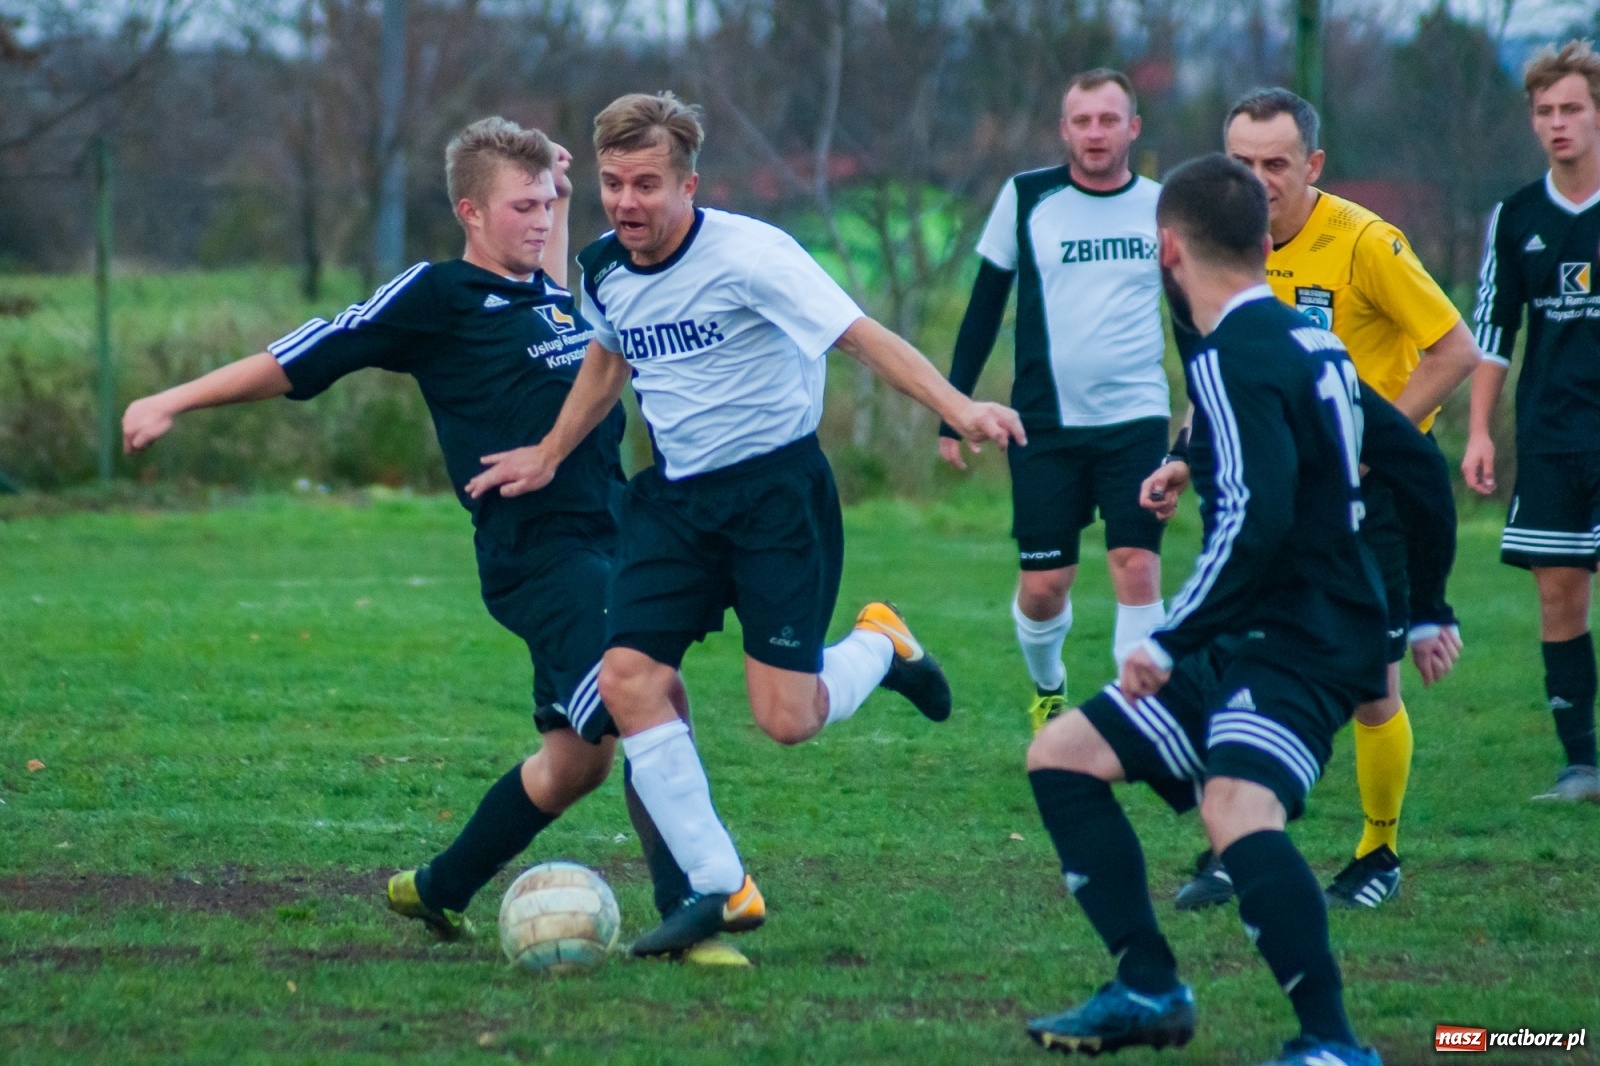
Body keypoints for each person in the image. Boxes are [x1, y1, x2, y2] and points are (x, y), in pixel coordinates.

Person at [120, 117, 752, 965]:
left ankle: (441, 886)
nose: (538, 219)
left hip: (619, 535)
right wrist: (173, 401)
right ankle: (691, 915)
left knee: (575, 766)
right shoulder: (437, 297)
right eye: (520, 206)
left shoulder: (553, 295)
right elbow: (309, 352)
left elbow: (557, 272)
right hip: (542, 555)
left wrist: (556, 190)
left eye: (546, 205)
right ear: (470, 212)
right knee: (652, 694)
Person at [467, 91, 1026, 957]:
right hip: (675, 506)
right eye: (613, 183)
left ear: (691, 184)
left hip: (776, 501)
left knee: (786, 718)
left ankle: (881, 644)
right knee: (628, 678)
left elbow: (862, 337)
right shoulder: (605, 265)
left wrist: (958, 406)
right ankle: (719, 888)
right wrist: (548, 450)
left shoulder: (755, 257)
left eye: (646, 184)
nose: (625, 202)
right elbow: (608, 360)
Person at [1023, 154, 1459, 1066]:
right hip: (1269, 628)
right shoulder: (1313, 343)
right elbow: (1417, 467)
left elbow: (1254, 526)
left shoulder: (1227, 356)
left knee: (1236, 807)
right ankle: (1147, 987)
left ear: (1167, 250)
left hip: (1299, 636)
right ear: (1265, 245)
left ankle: (1334, 1044)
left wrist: (1171, 638)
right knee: (1064, 756)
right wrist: (1429, 606)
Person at [1166, 88, 1481, 911]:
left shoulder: (1364, 242)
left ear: (1312, 165)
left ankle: (1378, 854)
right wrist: (1179, 454)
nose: (1258, 179)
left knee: (1373, 681)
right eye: (1241, 162)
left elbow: (1455, 349)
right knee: (1236, 659)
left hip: (1356, 500)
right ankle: (1236, 842)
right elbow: (1219, 365)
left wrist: (1369, 438)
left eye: (1276, 163)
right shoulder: (1222, 244)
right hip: (1260, 491)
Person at [939, 68, 1169, 734]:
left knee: (1136, 563)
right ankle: (1048, 687)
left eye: (1108, 119)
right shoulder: (1025, 197)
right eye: (1082, 120)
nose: (1095, 133)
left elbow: (1193, 313)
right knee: (1045, 587)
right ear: (1064, 129)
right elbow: (984, 308)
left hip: (1137, 421)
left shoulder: (1163, 205)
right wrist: (950, 410)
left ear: (1133, 128)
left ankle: (1137, 724)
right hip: (1043, 424)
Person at [1466, 39, 1600, 802]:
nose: (1558, 124)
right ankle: (1581, 763)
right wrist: (1480, 431)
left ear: (1598, 114)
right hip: (1548, 437)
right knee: (1558, 592)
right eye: (1545, 112)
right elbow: (1492, 333)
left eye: (1572, 109)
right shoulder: (1515, 217)